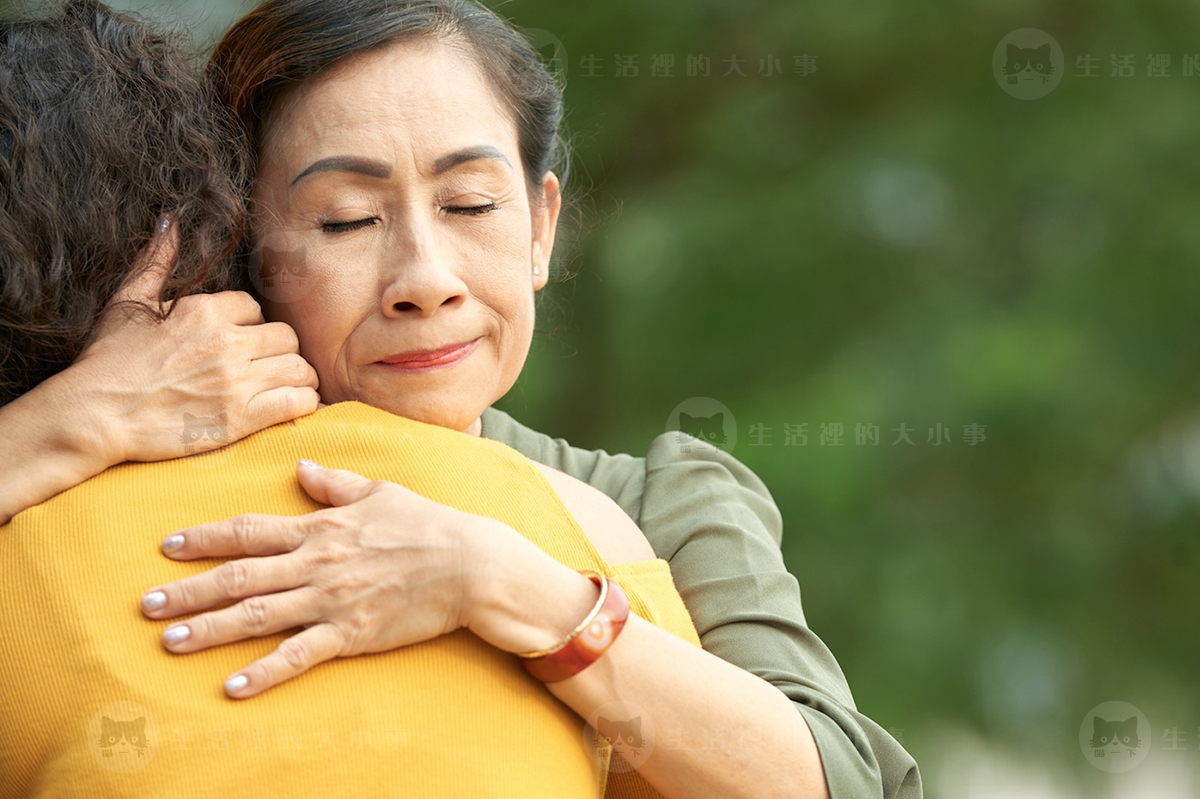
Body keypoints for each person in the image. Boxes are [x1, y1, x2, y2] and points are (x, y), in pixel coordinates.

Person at [1, 0, 921, 796]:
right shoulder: (105, 482)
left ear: (541, 227)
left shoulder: (654, 504)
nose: (425, 279)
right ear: (248, 245)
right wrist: (72, 417)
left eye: (471, 204)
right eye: (347, 220)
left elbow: (843, 780)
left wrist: (495, 579)